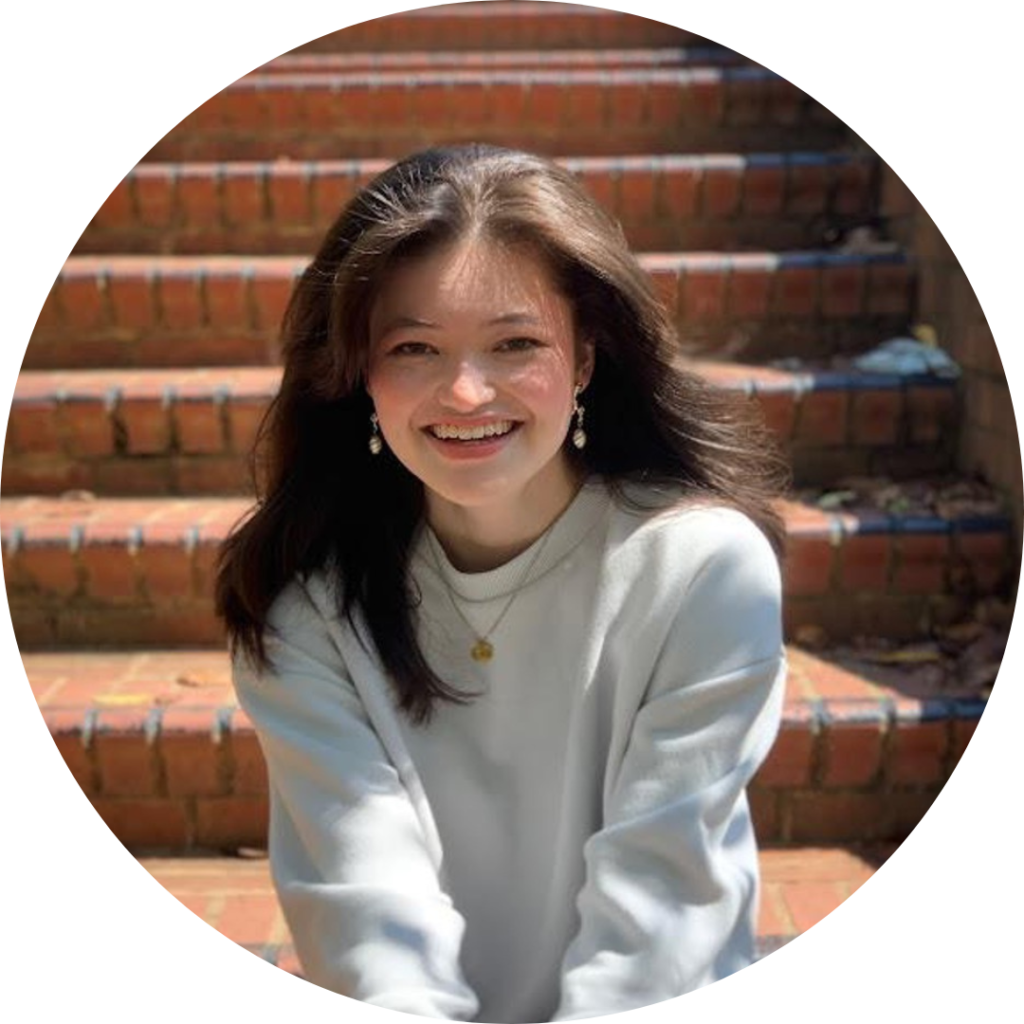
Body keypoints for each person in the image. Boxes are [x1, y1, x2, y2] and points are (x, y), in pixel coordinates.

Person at [216, 144, 790, 1021]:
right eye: (414, 347)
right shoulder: (308, 609)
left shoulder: (703, 570)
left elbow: (661, 919)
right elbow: (370, 916)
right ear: (360, 374)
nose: (467, 391)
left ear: (587, 357)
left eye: (515, 342)